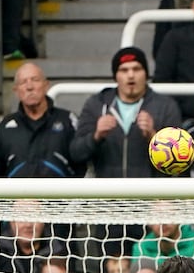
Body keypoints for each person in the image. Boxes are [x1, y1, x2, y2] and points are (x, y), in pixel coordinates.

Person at [71, 46, 185, 178]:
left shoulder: (166, 106)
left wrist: (154, 137)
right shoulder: (96, 105)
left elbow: (179, 163)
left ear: (146, 74)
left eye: (137, 69)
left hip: (151, 195)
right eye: (124, 70)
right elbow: (76, 153)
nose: (131, 75)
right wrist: (96, 136)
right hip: (107, 195)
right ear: (116, 76)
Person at [0, 63, 78, 178]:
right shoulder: (5, 126)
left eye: (35, 80)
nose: (29, 87)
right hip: (15, 195)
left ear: (46, 85)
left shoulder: (68, 120)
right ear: (16, 91)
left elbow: (84, 167)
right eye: (23, 82)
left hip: (59, 195)